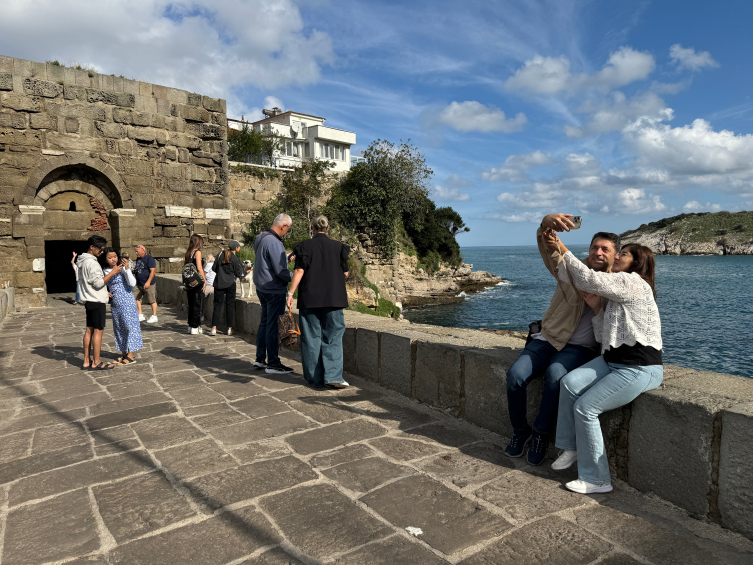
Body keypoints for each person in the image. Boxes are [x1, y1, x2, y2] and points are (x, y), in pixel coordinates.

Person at [545, 231, 663, 495]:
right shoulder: (617, 290)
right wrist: (598, 309)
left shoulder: (633, 282)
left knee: (586, 409)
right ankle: (572, 446)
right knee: (570, 383)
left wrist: (562, 248)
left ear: (635, 263)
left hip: (638, 367)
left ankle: (597, 479)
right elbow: (603, 337)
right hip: (613, 362)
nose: (616, 256)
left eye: (622, 254)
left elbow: (587, 277)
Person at [504, 213, 618, 465]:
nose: (598, 252)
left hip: (580, 347)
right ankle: (520, 431)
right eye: (594, 247)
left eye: (605, 249)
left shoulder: (616, 285)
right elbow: (550, 250)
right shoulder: (571, 269)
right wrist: (546, 223)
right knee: (515, 376)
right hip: (548, 339)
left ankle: (540, 434)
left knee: (556, 375)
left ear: (614, 255)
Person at [287, 215, 350, 389]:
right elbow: (345, 274)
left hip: (310, 297)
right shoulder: (339, 247)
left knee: (311, 337)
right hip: (334, 298)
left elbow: (299, 271)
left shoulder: (304, 246)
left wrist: (290, 293)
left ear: (312, 228)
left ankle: (315, 378)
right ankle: (334, 376)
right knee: (334, 336)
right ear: (328, 228)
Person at [253, 213, 294, 374]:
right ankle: (273, 363)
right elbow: (281, 272)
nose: (286, 232)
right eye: (287, 229)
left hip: (261, 287)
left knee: (264, 323)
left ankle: (260, 359)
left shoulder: (261, 237)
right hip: (274, 290)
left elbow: (267, 261)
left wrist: (287, 259)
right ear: (283, 226)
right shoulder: (275, 242)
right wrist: (296, 278)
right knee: (273, 326)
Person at [76, 235, 122, 370]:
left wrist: (103, 291)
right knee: (98, 331)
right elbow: (97, 283)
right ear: (92, 247)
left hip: (88, 300)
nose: (102, 252)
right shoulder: (93, 263)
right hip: (96, 301)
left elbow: (87, 282)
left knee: (89, 330)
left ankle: (86, 361)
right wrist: (113, 272)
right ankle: (96, 361)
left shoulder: (82, 261)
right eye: (101, 250)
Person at [100, 247, 143, 365]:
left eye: (115, 257)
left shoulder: (123, 268)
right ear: (105, 259)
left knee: (130, 326)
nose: (113, 259)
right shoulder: (105, 270)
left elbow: (132, 283)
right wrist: (105, 292)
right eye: (110, 257)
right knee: (119, 327)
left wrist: (126, 270)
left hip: (127, 301)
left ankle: (131, 355)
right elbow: (102, 283)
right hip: (115, 303)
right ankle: (124, 352)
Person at [210, 241, 248, 336]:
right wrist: (248, 271)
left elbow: (214, 268)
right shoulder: (235, 259)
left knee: (217, 306)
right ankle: (229, 329)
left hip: (219, 283)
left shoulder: (220, 255)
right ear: (236, 248)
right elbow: (240, 274)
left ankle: (213, 328)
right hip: (230, 284)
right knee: (230, 306)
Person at [183, 234, 207, 335]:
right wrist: (204, 280)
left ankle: (190, 325)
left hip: (189, 282)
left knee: (191, 303)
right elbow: (199, 268)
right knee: (197, 303)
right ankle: (195, 326)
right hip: (197, 282)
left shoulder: (188, 253)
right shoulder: (197, 252)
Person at [133, 244, 158, 324]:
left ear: (143, 250)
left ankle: (154, 315)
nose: (136, 253)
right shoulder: (138, 259)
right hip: (138, 283)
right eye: (135, 251)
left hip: (148, 283)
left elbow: (153, 271)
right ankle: (140, 314)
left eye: (137, 251)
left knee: (152, 300)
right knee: (136, 298)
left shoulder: (149, 259)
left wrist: (148, 282)